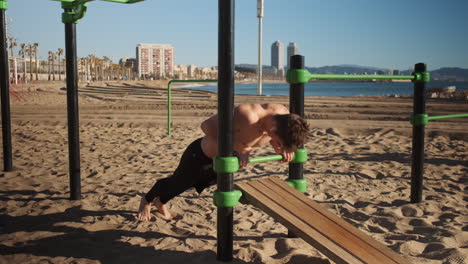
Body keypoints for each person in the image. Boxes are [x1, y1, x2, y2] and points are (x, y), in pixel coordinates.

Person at [137, 103, 309, 221]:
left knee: (184, 186)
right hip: (200, 156)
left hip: (221, 163)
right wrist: (237, 148)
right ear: (272, 130)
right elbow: (206, 126)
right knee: (178, 183)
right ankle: (148, 199)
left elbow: (272, 136)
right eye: (278, 142)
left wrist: (281, 148)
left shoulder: (283, 118)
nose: (277, 145)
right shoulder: (247, 115)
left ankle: (161, 202)